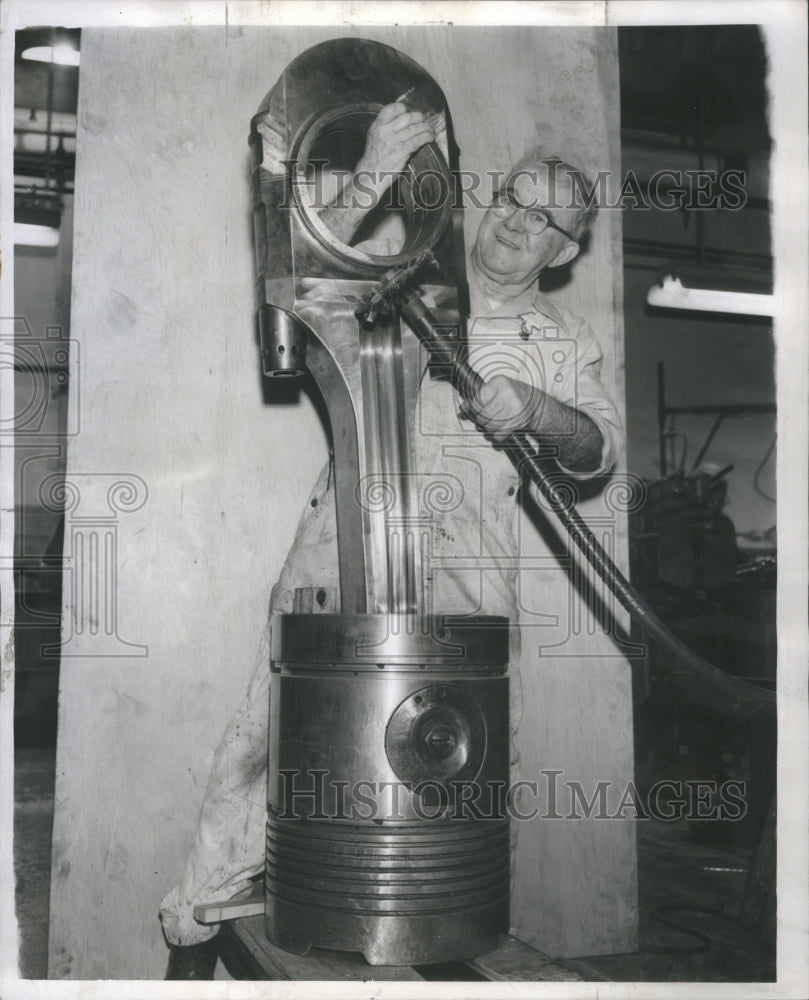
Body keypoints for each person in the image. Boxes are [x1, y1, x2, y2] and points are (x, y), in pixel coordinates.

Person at [159, 102, 623, 977]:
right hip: (348, 530)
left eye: (543, 219)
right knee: (271, 734)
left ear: (564, 251)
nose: (517, 222)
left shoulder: (563, 342)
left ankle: (435, 926)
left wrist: (536, 408)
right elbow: (300, 276)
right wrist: (371, 173)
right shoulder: (406, 276)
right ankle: (198, 924)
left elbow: (595, 452)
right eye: (512, 199)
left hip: (472, 556)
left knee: (452, 754)